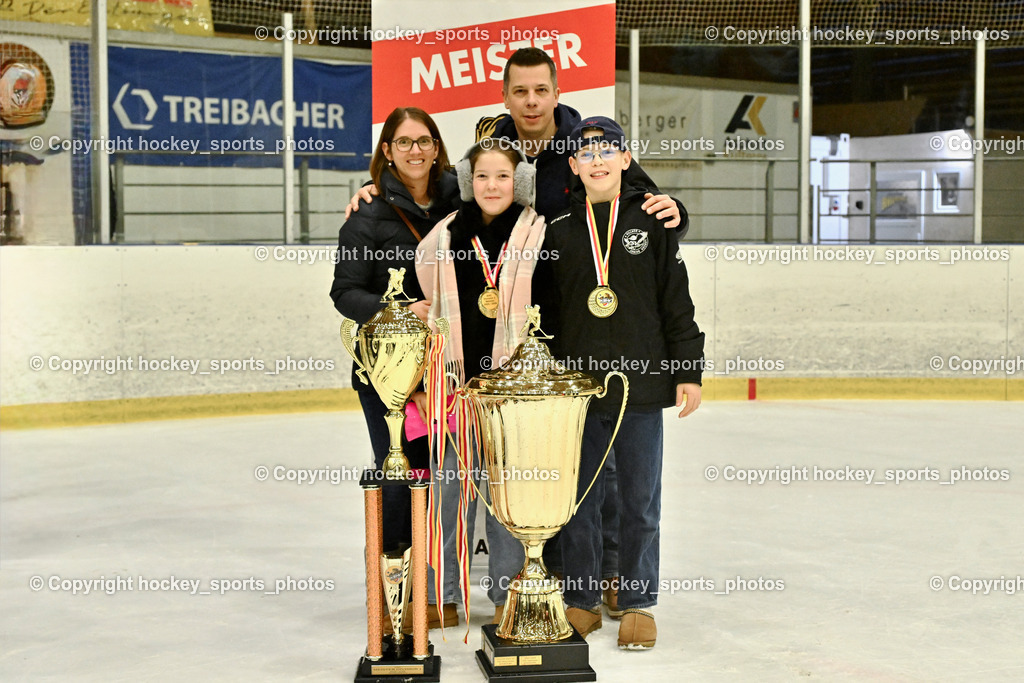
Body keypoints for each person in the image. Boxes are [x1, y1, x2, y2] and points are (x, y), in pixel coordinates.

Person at [537, 116, 704, 650]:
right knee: (580, 499)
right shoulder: (557, 227)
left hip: (643, 386)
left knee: (639, 500)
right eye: (586, 154)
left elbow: (675, 303)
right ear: (573, 166)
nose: (598, 160)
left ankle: (636, 601)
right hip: (578, 388)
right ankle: (582, 600)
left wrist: (688, 370)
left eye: (608, 150)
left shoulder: (652, 220)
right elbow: (545, 311)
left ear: (626, 159)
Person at [329, 106, 460, 626]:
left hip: (449, 368)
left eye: (424, 141)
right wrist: (399, 310)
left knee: (446, 480)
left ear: (436, 147)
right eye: (403, 143)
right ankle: (393, 599)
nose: (415, 151)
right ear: (387, 151)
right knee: (401, 478)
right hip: (389, 374)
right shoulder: (368, 215)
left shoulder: (462, 199)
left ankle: (436, 592)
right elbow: (344, 293)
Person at [414, 138, 546, 627]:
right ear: (470, 182)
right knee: (447, 494)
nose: (493, 185)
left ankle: (507, 596)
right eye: (483, 176)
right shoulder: (444, 237)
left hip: (509, 397)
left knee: (504, 499)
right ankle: (442, 594)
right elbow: (421, 301)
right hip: (455, 391)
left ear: (522, 183)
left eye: (504, 176)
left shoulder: (538, 234)